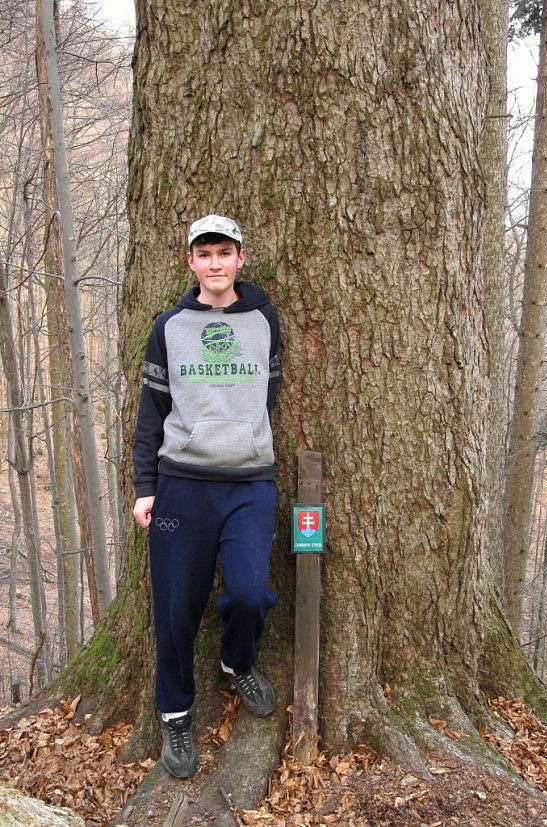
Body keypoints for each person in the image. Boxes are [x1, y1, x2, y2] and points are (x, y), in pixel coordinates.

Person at [132, 214, 281, 779]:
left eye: (224, 252)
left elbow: (266, 393)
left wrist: (239, 436)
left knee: (247, 593)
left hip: (248, 483)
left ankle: (235, 659)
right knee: (175, 609)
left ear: (241, 258)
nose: (215, 263)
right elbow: (152, 414)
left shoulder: (264, 320)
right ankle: (174, 714)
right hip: (181, 488)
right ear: (190, 262)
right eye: (204, 253)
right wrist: (146, 488)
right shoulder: (169, 326)